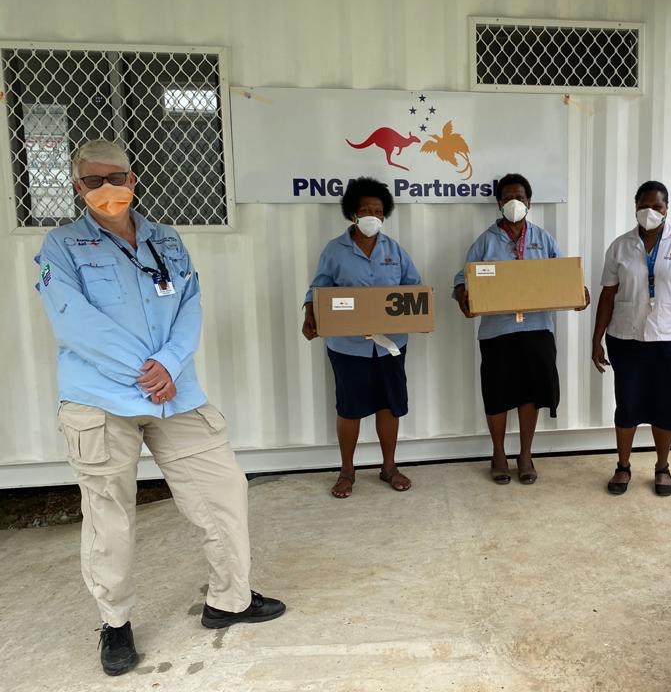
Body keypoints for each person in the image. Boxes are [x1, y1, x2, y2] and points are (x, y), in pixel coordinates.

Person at [35, 140, 284, 677]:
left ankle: (229, 600)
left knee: (223, 491)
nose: (107, 190)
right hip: (102, 399)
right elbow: (74, 322)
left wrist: (169, 365)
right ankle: (116, 622)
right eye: (93, 181)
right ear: (77, 187)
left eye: (115, 177)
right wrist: (145, 373)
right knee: (109, 516)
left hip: (176, 393)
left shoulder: (166, 240)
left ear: (134, 176)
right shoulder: (62, 246)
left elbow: (190, 304)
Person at [452, 173, 589, 485]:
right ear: (500, 203)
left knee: (531, 395)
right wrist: (463, 296)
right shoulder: (485, 242)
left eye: (521, 198)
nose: (515, 203)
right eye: (508, 198)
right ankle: (498, 454)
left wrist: (578, 292)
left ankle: (525, 455)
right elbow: (462, 279)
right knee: (497, 395)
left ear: (529, 202)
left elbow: (563, 276)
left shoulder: (543, 238)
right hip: (496, 332)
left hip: (537, 329)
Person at [302, 177, 421, 498]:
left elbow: (415, 289)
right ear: (353, 213)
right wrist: (309, 312)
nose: (372, 215)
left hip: (391, 345)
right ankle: (347, 472)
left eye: (378, 211)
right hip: (347, 346)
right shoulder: (334, 250)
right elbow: (318, 288)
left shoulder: (395, 250)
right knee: (349, 409)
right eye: (366, 209)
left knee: (389, 407)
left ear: (385, 215)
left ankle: (389, 467)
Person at [591, 181, 671, 497]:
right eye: (645, 205)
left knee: (666, 406)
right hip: (626, 338)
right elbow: (607, 294)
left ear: (667, 209)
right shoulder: (619, 246)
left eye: (658, 207)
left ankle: (662, 467)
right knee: (627, 405)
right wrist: (596, 338)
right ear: (635, 206)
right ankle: (623, 465)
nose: (651, 212)